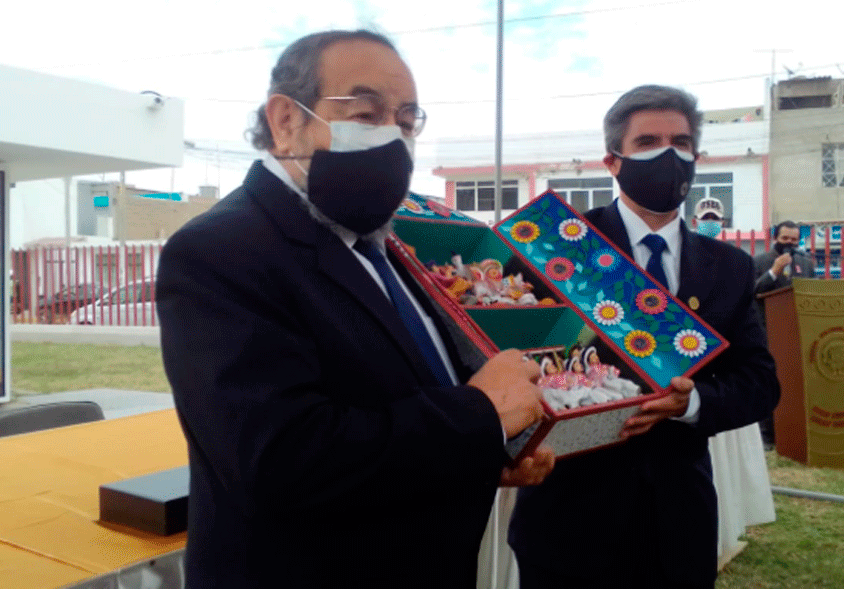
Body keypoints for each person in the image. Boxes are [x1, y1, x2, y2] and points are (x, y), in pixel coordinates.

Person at [157, 29, 554, 589]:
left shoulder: (388, 245)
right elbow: (281, 460)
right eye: (365, 114)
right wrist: (480, 417)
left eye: (407, 120)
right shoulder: (221, 251)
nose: (393, 137)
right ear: (285, 121)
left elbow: (408, 396)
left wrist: (486, 451)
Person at [508, 85, 780, 589]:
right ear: (613, 160)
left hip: (679, 525)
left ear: (696, 157)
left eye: (680, 142)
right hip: (567, 522)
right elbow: (503, 354)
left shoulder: (728, 266)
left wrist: (694, 400)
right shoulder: (555, 249)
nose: (668, 155)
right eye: (649, 141)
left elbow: (760, 384)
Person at [752, 220, 816, 448]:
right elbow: (753, 293)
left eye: (794, 240)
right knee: (770, 384)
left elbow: (813, 293)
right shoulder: (759, 262)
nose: (789, 244)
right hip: (768, 333)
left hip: (799, 333)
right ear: (775, 238)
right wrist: (774, 271)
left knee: (795, 384)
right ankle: (767, 435)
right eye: (785, 239)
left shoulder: (806, 264)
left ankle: (795, 430)